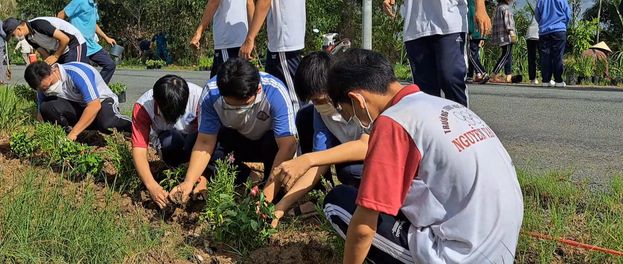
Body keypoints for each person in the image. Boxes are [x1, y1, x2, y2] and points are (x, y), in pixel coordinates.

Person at [322, 49, 523, 264]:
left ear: (357, 99)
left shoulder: (394, 121)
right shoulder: (438, 105)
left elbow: (363, 228)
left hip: (459, 255)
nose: (356, 119)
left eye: (349, 112)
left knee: (338, 202)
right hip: (501, 246)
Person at [169, 58, 298, 205]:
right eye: (232, 106)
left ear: (258, 90)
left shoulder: (275, 91)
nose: (238, 110)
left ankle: (268, 183)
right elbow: (205, 142)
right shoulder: (212, 93)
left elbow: (288, 145)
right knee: (193, 142)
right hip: (236, 142)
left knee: (273, 144)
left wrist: (266, 199)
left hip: (267, 146)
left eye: (244, 105)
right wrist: (188, 182)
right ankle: (246, 175)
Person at [270, 52, 367, 227]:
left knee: (349, 170)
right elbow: (318, 164)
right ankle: (320, 196)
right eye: (314, 101)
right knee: (304, 116)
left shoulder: (362, 104)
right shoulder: (320, 113)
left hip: (374, 159)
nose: (319, 105)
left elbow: (366, 146)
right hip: (347, 147)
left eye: (320, 99)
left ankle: (359, 204)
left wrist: (308, 159)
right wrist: (280, 207)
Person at [131, 75, 204, 209]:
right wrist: (152, 185)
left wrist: (199, 176)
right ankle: (177, 168)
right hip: (169, 138)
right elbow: (139, 149)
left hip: (195, 139)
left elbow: (207, 141)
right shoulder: (143, 107)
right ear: (156, 102)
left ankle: (196, 174)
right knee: (170, 141)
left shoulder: (200, 99)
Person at [24, 61, 131, 141]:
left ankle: (138, 126)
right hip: (79, 105)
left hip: (101, 102)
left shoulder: (77, 73)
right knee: (46, 107)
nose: (48, 90)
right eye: (44, 89)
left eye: (50, 85)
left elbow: (94, 106)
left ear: (52, 71)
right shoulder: (42, 85)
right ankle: (81, 133)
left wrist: (73, 134)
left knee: (107, 124)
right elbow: (40, 113)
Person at [58, 0, 117, 83]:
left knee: (110, 65)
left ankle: (98, 90)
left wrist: (106, 37)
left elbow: (93, 23)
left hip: (91, 44)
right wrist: (59, 36)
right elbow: (61, 14)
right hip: (79, 45)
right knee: (82, 74)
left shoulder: (94, 3)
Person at [2, 17, 88, 65]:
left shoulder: (39, 25)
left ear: (19, 29)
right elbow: (44, 54)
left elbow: (65, 39)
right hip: (59, 50)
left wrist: (55, 57)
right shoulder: (29, 38)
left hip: (74, 44)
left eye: (13, 35)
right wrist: (47, 65)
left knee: (74, 73)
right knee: (60, 75)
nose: (14, 38)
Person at [535, 0, 571, 88]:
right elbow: (568, 16)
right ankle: (559, 80)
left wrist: (543, 24)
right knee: (558, 56)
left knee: (545, 56)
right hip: (559, 31)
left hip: (544, 32)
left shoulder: (541, 0)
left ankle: (546, 80)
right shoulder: (562, 0)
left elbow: (537, 16)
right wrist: (564, 24)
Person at [489, 0, 518, 83]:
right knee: (506, 55)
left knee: (507, 55)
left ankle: (508, 76)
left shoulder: (498, 8)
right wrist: (512, 33)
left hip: (500, 36)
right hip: (506, 35)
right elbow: (508, 23)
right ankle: (494, 74)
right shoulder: (506, 8)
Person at [465, 0, 489, 84]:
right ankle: (471, 75)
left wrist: (469, 32)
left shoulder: (470, 5)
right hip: (480, 33)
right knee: (475, 54)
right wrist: (483, 36)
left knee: (471, 55)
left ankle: (482, 72)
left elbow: (470, 19)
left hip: (473, 33)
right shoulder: (479, 4)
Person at [526, 16, 540, 84]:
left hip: (530, 34)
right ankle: (546, 78)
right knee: (544, 57)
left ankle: (533, 79)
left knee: (531, 58)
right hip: (539, 34)